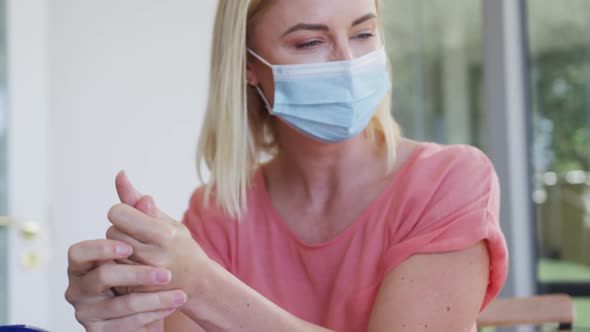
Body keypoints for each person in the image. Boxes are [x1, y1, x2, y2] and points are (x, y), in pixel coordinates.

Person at [65, 0, 509, 331]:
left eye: (363, 33)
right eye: (311, 41)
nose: (348, 62)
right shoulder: (221, 211)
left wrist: (203, 285)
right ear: (248, 67)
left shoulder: (450, 182)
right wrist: (133, 316)